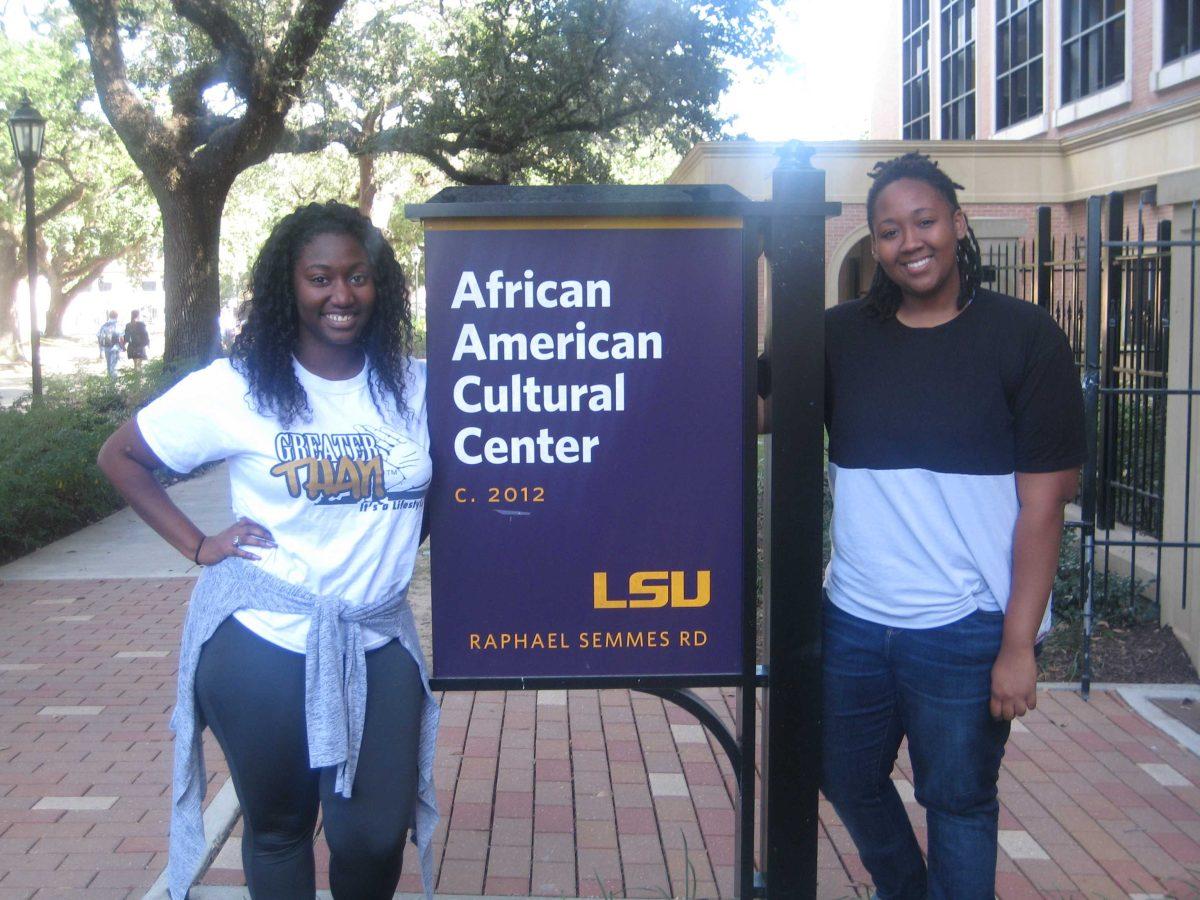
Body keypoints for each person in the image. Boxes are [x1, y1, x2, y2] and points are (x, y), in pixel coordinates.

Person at [97, 201, 437, 900]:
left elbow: (449, 490)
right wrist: (199, 545)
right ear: (290, 287)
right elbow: (122, 456)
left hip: (374, 636)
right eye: (320, 278)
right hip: (262, 642)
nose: (341, 295)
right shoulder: (238, 387)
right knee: (279, 829)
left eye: (358, 276)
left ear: (383, 286)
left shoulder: (416, 384)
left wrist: (391, 541)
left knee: (372, 838)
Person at [819, 152, 1084, 899]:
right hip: (855, 619)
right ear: (874, 245)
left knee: (958, 801)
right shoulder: (840, 337)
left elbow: (1043, 507)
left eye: (925, 221)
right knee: (842, 774)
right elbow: (756, 404)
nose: (910, 241)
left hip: (968, 626)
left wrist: (1017, 646)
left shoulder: (1024, 338)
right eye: (889, 229)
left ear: (957, 224)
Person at [97, 310, 123, 379]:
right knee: (114, 366)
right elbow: (121, 336)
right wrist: (122, 347)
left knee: (108, 365)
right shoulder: (117, 325)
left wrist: (100, 351)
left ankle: (109, 381)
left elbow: (99, 336)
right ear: (117, 316)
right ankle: (113, 383)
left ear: (109, 316)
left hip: (106, 347)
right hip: (115, 347)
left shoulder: (104, 325)